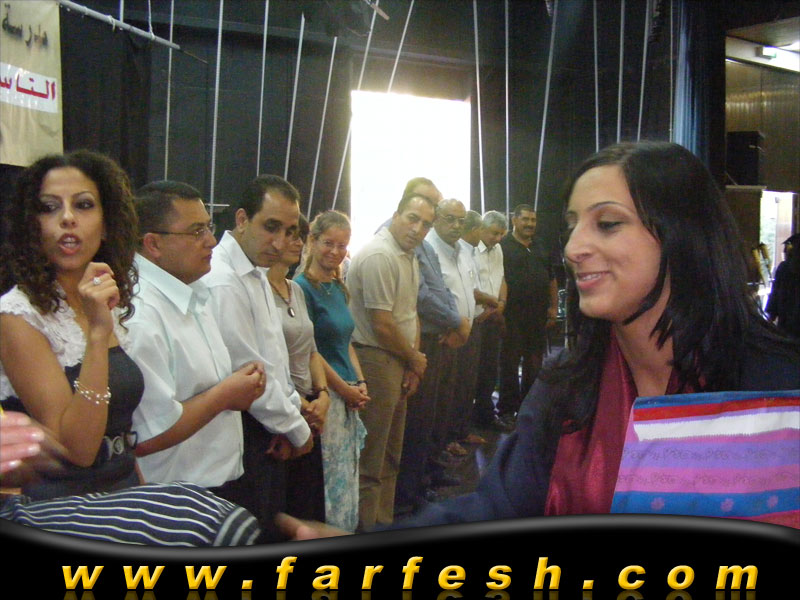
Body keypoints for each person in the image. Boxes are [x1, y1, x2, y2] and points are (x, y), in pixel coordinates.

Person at [278, 140, 800, 537]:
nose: (573, 247)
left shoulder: (779, 391)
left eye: (607, 223)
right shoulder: (567, 389)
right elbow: (492, 512)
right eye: (573, 224)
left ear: (681, 233)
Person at [0, 152, 259, 545]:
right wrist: (98, 334)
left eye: (83, 205)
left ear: (106, 224)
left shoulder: (105, 298)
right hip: (63, 509)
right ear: (31, 226)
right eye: (49, 207)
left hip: (123, 491)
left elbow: (122, 432)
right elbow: (79, 449)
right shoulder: (19, 315)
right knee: (217, 527)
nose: (67, 218)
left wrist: (141, 490)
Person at [127, 181, 267, 521]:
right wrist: (226, 394)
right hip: (175, 502)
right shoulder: (141, 315)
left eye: (209, 226)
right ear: (153, 244)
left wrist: (239, 384)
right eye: (196, 231)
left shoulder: (191, 291)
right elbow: (147, 436)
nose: (211, 241)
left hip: (216, 486)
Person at [200, 174, 314, 540]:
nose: (280, 242)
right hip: (241, 425)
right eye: (271, 227)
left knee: (269, 524)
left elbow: (273, 358)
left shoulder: (254, 270)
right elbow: (248, 372)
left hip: (265, 423)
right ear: (241, 219)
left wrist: (290, 416)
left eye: (289, 231)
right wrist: (295, 428)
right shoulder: (223, 278)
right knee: (252, 531)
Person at [348, 191, 434, 530]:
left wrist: (412, 363)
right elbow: (382, 325)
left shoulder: (407, 255)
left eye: (425, 224)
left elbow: (409, 314)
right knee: (372, 459)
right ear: (396, 215)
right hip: (376, 359)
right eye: (413, 218)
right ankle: (366, 528)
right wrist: (414, 358)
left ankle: (383, 524)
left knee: (390, 456)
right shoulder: (380, 255)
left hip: (397, 359)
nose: (418, 229)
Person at [295, 210, 369, 532]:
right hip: (326, 393)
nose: (336, 252)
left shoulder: (338, 286)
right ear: (312, 241)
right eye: (329, 243)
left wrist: (360, 382)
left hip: (348, 391)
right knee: (330, 477)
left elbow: (346, 341)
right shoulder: (301, 288)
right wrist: (344, 389)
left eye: (342, 245)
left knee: (348, 473)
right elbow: (311, 350)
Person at [266, 213, 328, 524]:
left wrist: (323, 395)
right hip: (281, 407)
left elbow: (312, 350)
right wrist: (302, 405)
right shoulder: (258, 290)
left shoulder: (296, 289)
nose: (297, 242)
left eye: (300, 235)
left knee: (308, 501)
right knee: (285, 506)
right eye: (289, 234)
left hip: (310, 405)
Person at [497, 204, 558, 426]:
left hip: (538, 316)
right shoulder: (502, 246)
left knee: (534, 364)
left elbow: (552, 279)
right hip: (511, 316)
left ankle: (528, 409)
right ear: (514, 220)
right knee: (509, 364)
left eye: (533, 220)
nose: (530, 224)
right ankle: (506, 411)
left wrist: (554, 307)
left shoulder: (541, 246)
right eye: (525, 219)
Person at [471, 211, 510, 431]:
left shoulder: (498, 250)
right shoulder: (470, 248)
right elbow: (469, 285)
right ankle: (466, 420)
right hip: (475, 318)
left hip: (493, 316)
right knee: (471, 371)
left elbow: (502, 278)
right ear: (482, 228)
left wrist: (500, 304)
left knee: (489, 369)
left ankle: (485, 414)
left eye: (501, 234)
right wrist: (492, 304)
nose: (498, 238)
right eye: (494, 233)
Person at [766, 233, 800, 339]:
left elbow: (775, 294)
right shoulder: (784, 268)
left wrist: (771, 317)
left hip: (787, 323)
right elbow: (776, 293)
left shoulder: (784, 268)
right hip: (787, 321)